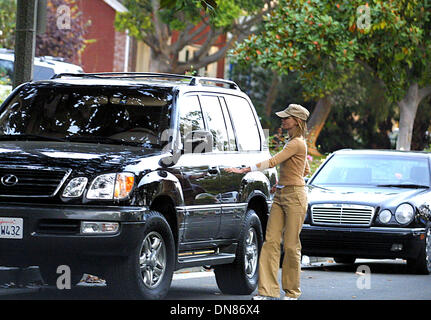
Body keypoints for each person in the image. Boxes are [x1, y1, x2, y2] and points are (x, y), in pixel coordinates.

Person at [225, 104, 310, 300]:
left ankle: (292, 292)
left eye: (287, 118)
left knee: (290, 246)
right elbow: (304, 169)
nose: (283, 120)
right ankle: (267, 291)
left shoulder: (297, 143)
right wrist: (281, 183)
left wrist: (244, 170)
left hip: (295, 197)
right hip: (282, 195)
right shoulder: (294, 142)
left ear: (296, 121)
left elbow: (272, 162)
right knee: (270, 242)